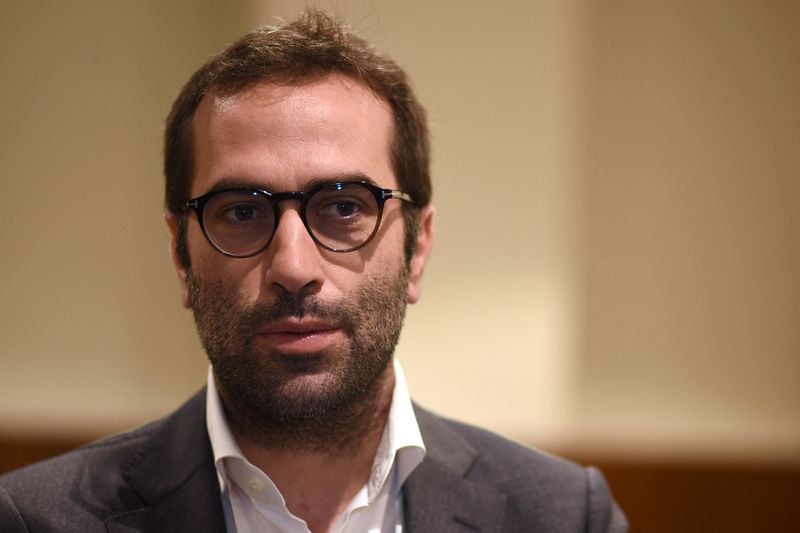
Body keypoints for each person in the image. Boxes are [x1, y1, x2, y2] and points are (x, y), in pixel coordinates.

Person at [0, 10, 627, 533]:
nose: (293, 268)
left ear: (417, 248)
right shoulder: (34, 520)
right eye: (241, 211)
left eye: (344, 208)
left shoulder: (564, 516)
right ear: (181, 256)